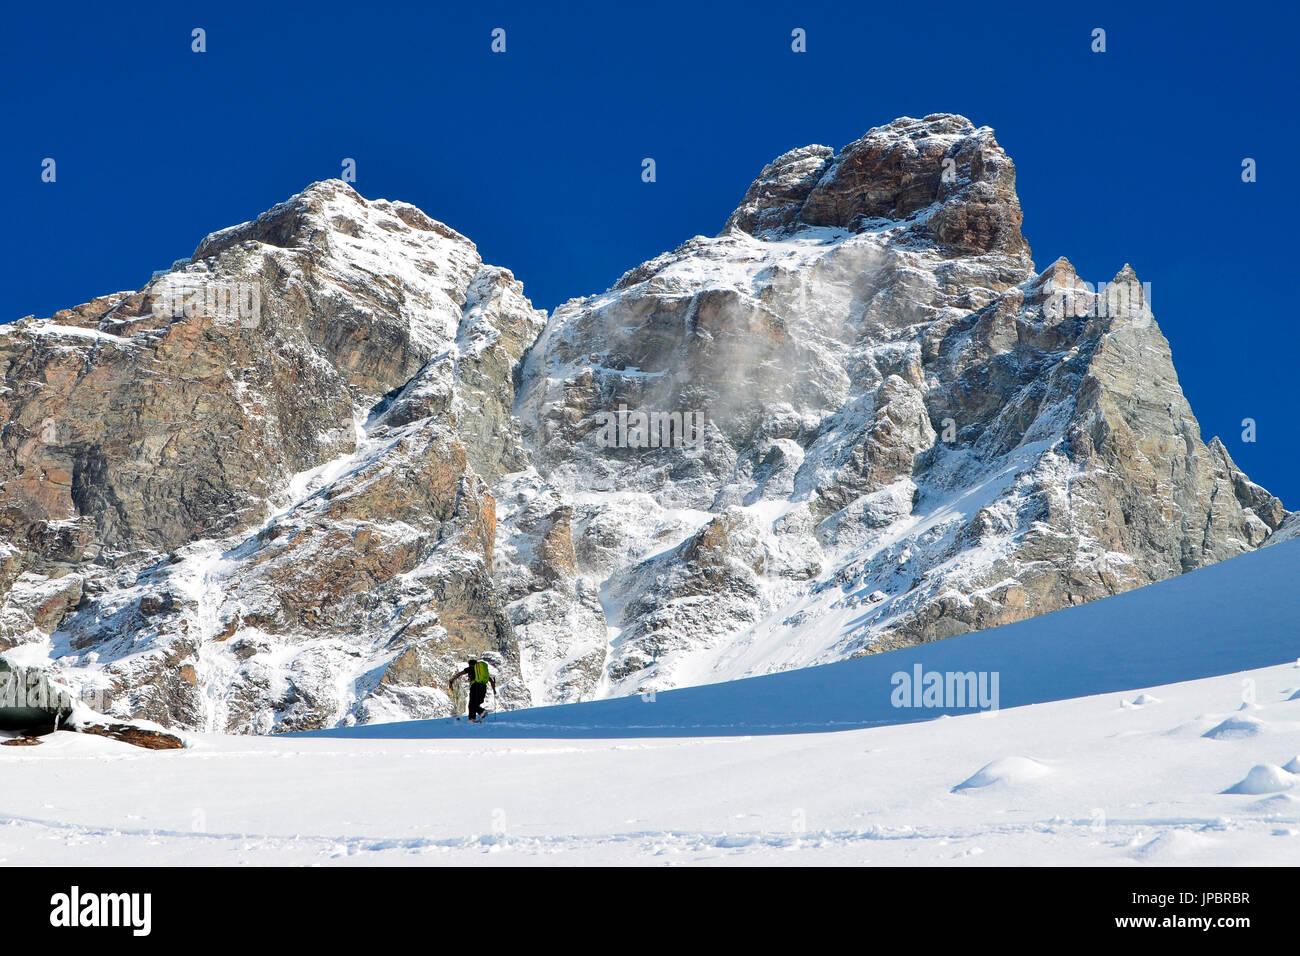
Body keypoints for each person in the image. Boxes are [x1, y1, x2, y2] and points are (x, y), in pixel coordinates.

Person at [449, 658, 496, 722]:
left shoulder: (471, 668)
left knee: (471, 704)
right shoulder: (480, 673)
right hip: (483, 688)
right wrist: (494, 690)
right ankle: (473, 718)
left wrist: (452, 680)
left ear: (470, 664)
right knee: (476, 704)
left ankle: (479, 714)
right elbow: (491, 681)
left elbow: (460, 674)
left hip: (475, 687)